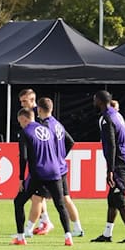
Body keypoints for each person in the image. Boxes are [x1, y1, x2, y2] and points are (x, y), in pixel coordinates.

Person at [12, 108, 72, 246]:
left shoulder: (25, 133)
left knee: (19, 202)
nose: (20, 124)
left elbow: (24, 157)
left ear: (23, 119)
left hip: (38, 174)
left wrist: (21, 178)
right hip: (54, 172)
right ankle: (68, 237)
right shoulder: (48, 130)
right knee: (60, 204)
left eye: (19, 121)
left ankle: (21, 237)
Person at [90, 90, 125, 244]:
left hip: (119, 162)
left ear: (99, 101)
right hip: (124, 159)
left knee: (118, 197)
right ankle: (107, 234)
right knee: (112, 198)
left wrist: (110, 169)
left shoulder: (106, 118)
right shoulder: (117, 114)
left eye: (95, 100)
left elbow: (111, 144)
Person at [36, 98, 84, 236]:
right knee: (65, 198)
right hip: (61, 167)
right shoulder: (57, 124)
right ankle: (77, 228)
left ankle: (26, 230)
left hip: (50, 168)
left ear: (39, 109)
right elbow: (70, 142)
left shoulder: (44, 126)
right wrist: (61, 157)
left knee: (37, 197)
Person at [17, 88, 52, 236]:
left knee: (42, 196)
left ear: (33, 100)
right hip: (38, 164)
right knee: (36, 195)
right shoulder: (27, 116)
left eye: (25, 101)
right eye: (21, 101)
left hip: (45, 164)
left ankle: (74, 229)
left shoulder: (41, 117)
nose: (23, 104)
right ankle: (45, 221)